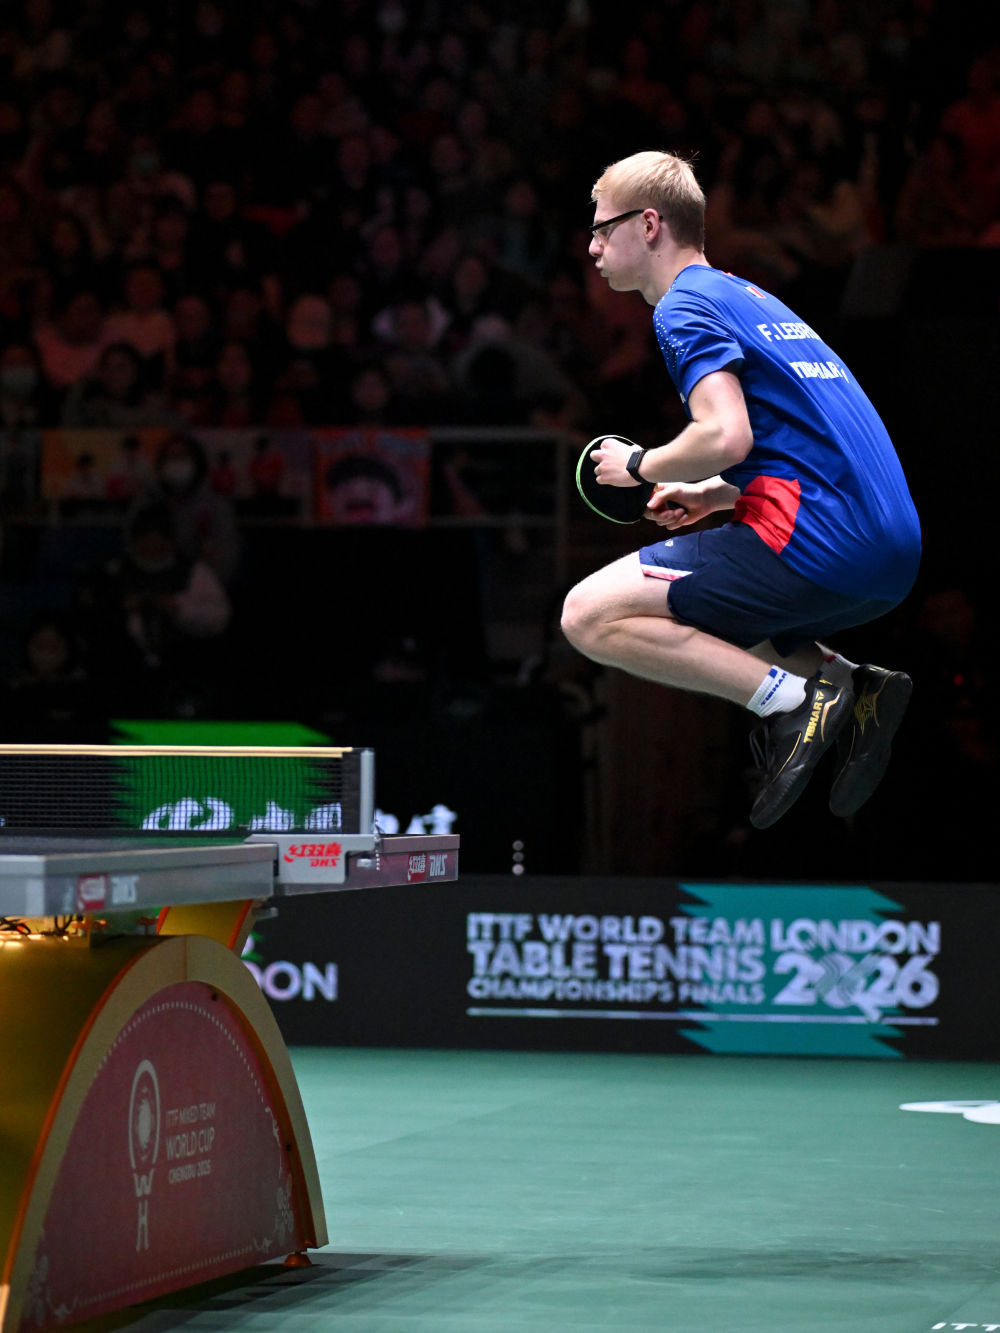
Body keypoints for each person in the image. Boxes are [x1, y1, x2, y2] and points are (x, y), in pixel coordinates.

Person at [560, 151, 921, 831]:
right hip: (889, 548)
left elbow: (726, 434)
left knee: (588, 615)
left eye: (603, 229)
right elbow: (803, 443)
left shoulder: (682, 307)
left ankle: (793, 702)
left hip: (825, 542)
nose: (593, 247)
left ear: (649, 224)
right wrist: (711, 495)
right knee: (711, 605)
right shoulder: (748, 297)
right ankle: (854, 686)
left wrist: (641, 464)